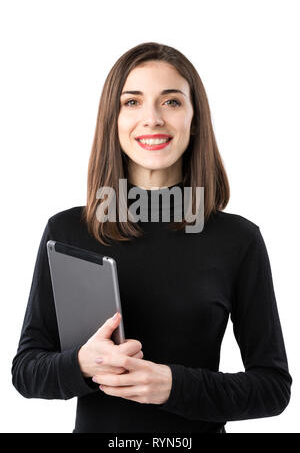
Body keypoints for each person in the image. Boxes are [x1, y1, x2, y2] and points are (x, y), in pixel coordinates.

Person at [11, 42, 292, 434]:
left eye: (172, 102)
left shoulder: (238, 240)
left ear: (194, 120)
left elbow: (273, 388)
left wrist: (174, 386)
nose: (153, 118)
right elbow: (26, 372)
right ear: (113, 120)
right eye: (132, 102)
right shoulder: (67, 231)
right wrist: (79, 364)